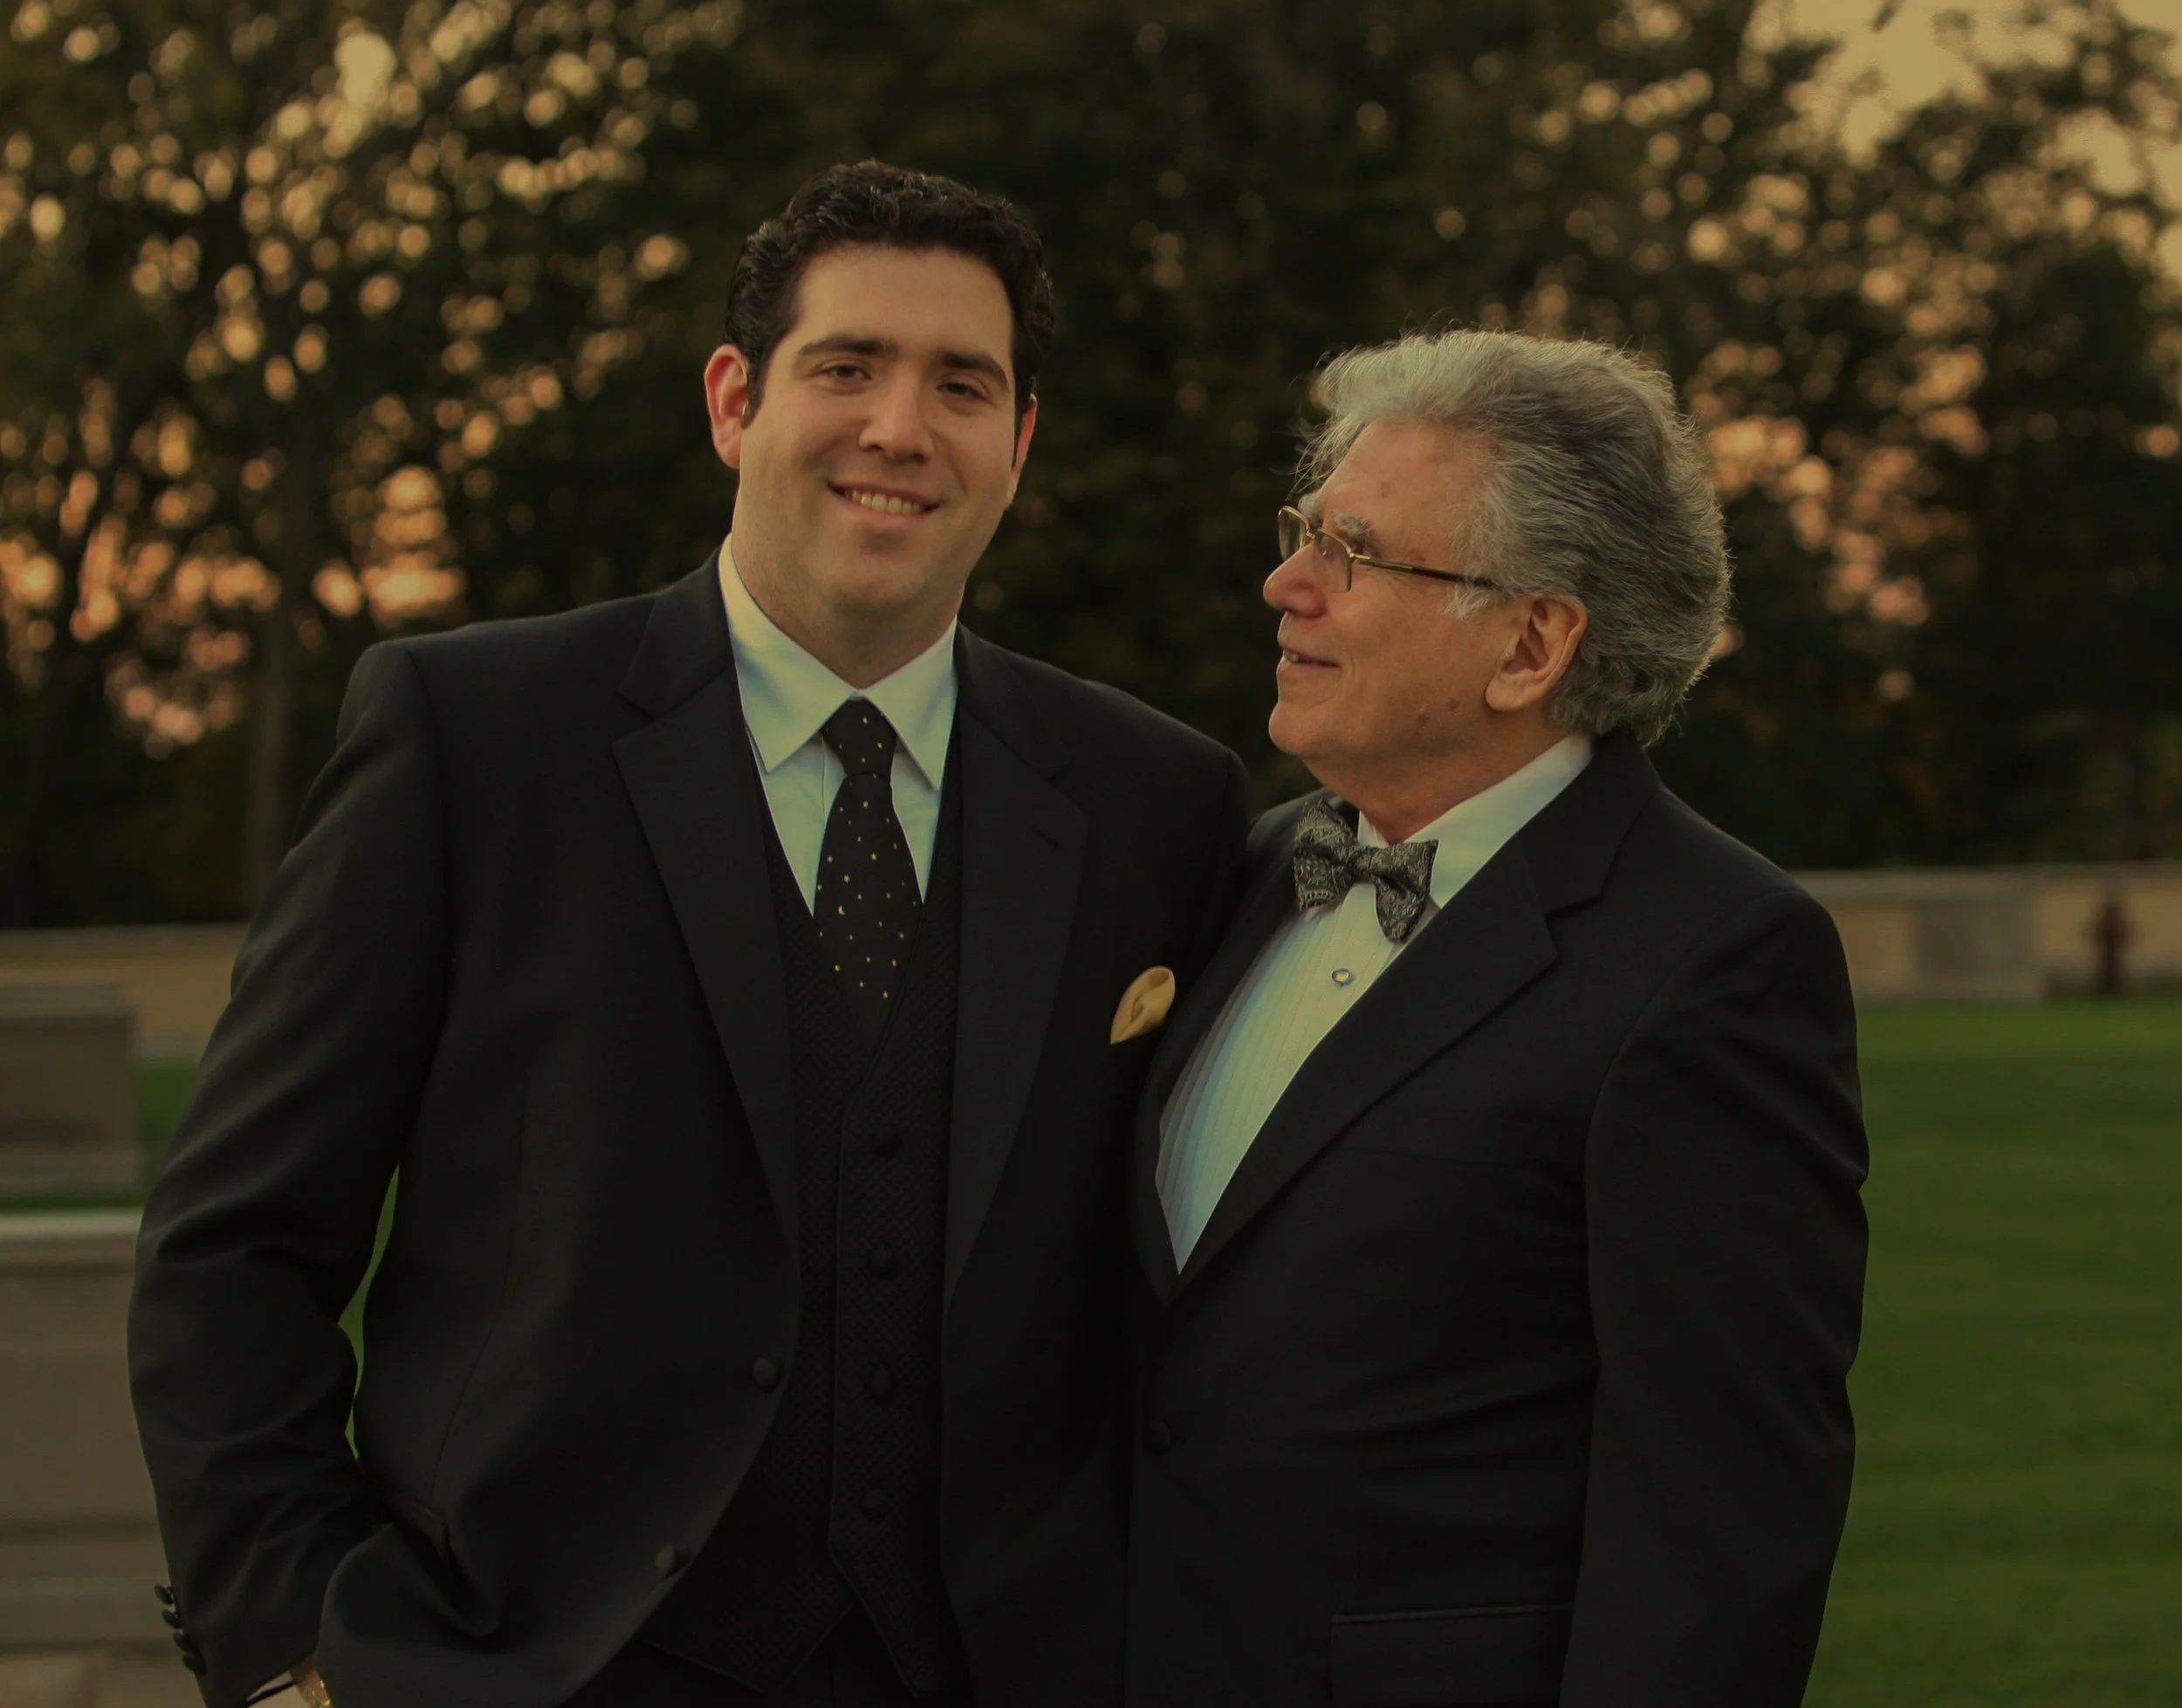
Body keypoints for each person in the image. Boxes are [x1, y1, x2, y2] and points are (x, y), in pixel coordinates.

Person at [129, 161, 1246, 1708]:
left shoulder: (1158, 802)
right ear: (734, 400)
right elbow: (237, 1245)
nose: (900, 429)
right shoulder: (471, 738)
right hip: (531, 1666)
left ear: (1020, 443)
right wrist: (289, 1656)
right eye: (845, 366)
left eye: (962, 386)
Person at [1125, 330, 1868, 1707]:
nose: (1285, 584)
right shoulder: (1241, 867)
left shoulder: (1715, 962)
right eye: (1304, 532)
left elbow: (1720, 1531)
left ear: (1532, 644)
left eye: (1356, 553)